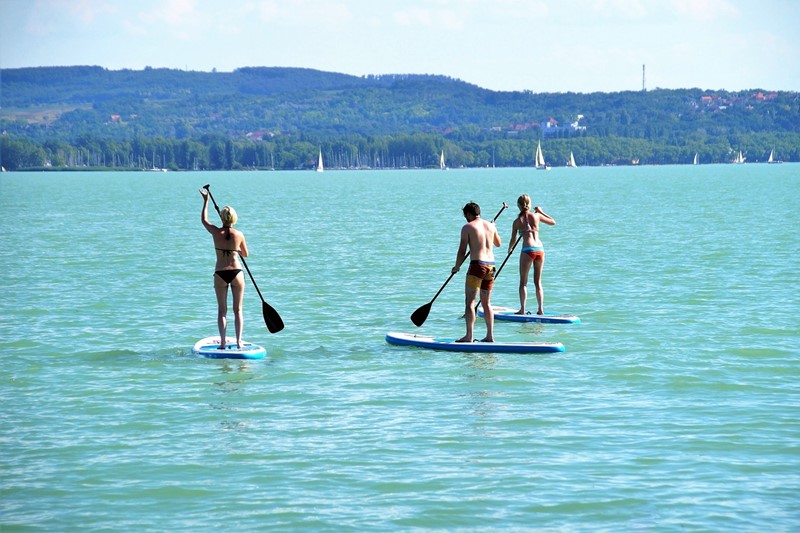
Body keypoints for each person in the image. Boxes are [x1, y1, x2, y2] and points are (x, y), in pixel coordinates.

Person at [200, 189, 249, 349]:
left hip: (220, 273)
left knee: (222, 310)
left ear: (221, 217)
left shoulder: (215, 232)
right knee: (238, 310)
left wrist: (206, 201)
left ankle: (222, 343)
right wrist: (235, 249)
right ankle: (239, 342)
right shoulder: (239, 234)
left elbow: (204, 220)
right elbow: (245, 254)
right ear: (234, 218)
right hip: (236, 272)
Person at [451, 201, 502, 342]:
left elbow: (462, 251)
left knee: (470, 303)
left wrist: (457, 267)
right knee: (486, 303)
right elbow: (498, 243)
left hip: (477, 266)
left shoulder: (467, 227)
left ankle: (469, 336)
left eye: (465, 215)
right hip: (491, 267)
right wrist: (494, 228)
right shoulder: (490, 226)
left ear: (468, 214)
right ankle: (490, 336)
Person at [509, 194, 556, 315]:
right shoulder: (537, 216)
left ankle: (522, 309)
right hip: (540, 249)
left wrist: (510, 249)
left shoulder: (516, 222)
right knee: (537, 282)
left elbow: (513, 240)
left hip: (527, 250)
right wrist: (541, 211)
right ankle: (540, 309)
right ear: (529, 204)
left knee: (523, 282)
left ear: (518, 206)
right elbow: (553, 222)